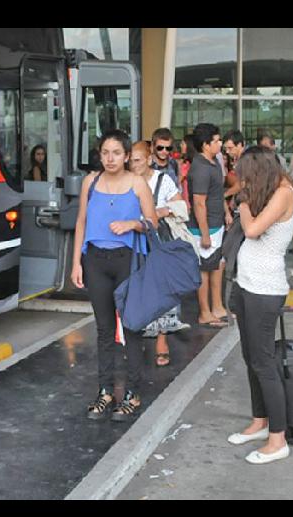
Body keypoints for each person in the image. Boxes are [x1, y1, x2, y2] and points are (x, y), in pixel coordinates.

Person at [71, 129, 157, 422]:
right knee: (104, 329)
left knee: (131, 328)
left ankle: (133, 392)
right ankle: (105, 391)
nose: (110, 158)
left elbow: (152, 223)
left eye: (116, 153)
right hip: (94, 260)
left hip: (127, 261)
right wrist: (76, 263)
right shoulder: (90, 182)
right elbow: (81, 221)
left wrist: (133, 223)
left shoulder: (137, 184)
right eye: (105, 153)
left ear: (125, 155)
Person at [226, 146, 293, 464]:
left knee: (264, 363)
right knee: (250, 358)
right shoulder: (270, 190)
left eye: (244, 174)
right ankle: (260, 421)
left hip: (265, 290)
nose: (241, 180)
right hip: (247, 285)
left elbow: (253, 229)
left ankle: (277, 439)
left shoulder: (283, 193)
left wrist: (242, 202)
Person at [128, 141, 189, 367]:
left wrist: (159, 212)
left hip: (159, 242)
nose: (133, 165)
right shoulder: (125, 181)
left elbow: (182, 207)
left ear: (149, 159)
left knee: (163, 291)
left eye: (138, 160)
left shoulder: (162, 181)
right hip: (133, 242)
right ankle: (139, 335)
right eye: (130, 160)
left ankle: (161, 340)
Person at [188, 123, 232, 328]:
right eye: (216, 140)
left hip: (216, 224)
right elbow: (198, 203)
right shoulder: (201, 168)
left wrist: (226, 213)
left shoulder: (213, 162)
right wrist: (204, 234)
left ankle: (217, 307)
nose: (220, 144)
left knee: (216, 266)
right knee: (204, 270)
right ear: (206, 145)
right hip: (206, 229)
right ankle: (204, 312)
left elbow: (217, 193)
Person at [222, 130, 244, 205]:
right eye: (226, 149)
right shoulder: (237, 159)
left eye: (230, 148)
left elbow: (242, 184)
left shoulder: (247, 160)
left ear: (239, 145)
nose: (227, 151)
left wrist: (225, 194)